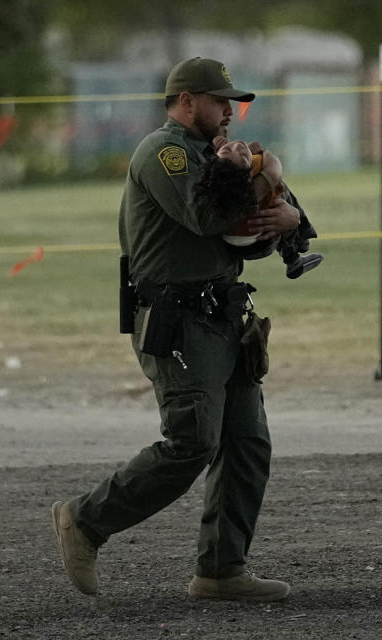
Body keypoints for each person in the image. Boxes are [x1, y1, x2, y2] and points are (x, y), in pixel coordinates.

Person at [50, 57, 302, 602]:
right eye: (220, 101)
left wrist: (289, 220)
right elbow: (206, 216)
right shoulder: (164, 153)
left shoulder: (216, 154)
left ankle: (221, 570)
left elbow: (249, 223)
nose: (230, 112)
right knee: (192, 442)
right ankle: (86, 521)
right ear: (187, 101)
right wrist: (237, 170)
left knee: (246, 444)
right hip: (179, 320)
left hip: (225, 316)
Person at [200, 137, 323, 279]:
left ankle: (295, 251)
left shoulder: (214, 180)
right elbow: (273, 167)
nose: (238, 146)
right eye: (244, 157)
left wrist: (218, 151)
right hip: (260, 240)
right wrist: (262, 153)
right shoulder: (258, 168)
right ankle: (297, 247)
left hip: (228, 245)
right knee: (279, 194)